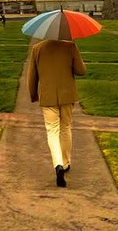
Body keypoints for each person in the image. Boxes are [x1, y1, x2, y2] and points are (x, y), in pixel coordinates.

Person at [27, 35, 86, 187]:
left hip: (47, 96)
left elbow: (32, 76)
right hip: (67, 95)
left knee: (52, 131)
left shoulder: (37, 49)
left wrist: (33, 94)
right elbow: (81, 70)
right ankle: (65, 163)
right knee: (66, 128)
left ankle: (58, 164)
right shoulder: (70, 46)